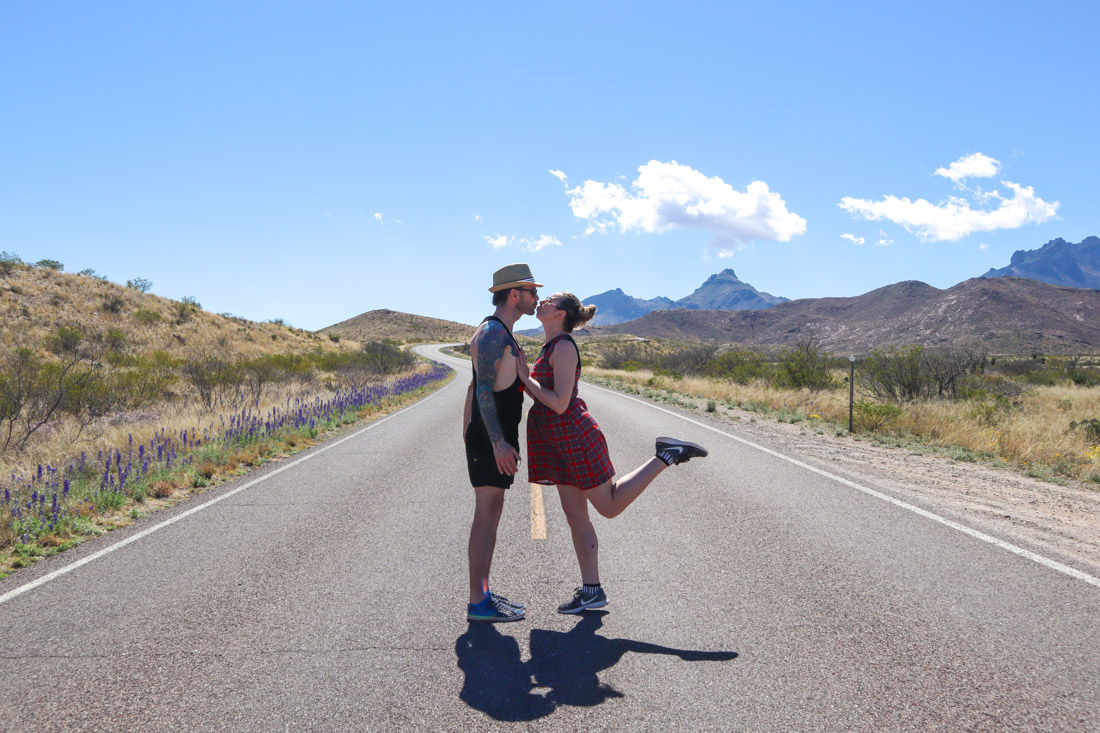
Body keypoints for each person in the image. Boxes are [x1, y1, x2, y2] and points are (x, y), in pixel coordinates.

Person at [517, 291, 708, 614]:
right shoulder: (549, 346)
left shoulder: (563, 348)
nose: (542, 302)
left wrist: (525, 377)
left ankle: (665, 455)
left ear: (560, 314)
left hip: (573, 435)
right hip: (556, 441)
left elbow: (560, 403)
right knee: (575, 516)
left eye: (549, 300)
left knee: (609, 505)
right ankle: (592, 591)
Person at [464, 263, 542, 622]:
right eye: (531, 291)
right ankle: (478, 602)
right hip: (491, 439)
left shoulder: (498, 332)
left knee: (491, 515)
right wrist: (494, 442)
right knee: (485, 515)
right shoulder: (493, 333)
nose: (536, 297)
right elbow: (481, 389)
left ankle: (483, 594)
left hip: (490, 436)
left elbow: (477, 386)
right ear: (514, 294)